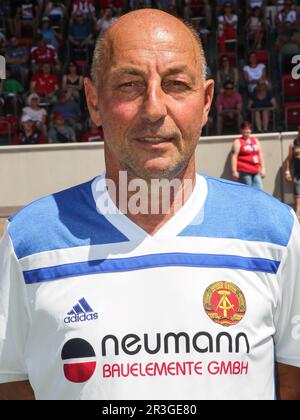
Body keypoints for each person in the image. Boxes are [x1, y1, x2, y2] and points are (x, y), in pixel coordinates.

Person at [0, 9, 300, 401]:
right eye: (128, 84)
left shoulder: (275, 233)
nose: (154, 108)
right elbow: (12, 382)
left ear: (207, 100)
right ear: (93, 101)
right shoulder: (29, 242)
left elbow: (290, 381)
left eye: (176, 84)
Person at [231, 122, 266, 189]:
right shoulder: (238, 141)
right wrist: (234, 171)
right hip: (244, 171)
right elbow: (234, 156)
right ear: (242, 131)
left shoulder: (255, 140)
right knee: (248, 190)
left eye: (248, 130)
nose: (247, 132)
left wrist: (263, 167)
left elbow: (260, 154)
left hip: (255, 170)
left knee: (259, 189)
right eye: (245, 130)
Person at [284, 125, 300, 218]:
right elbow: (289, 159)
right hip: (298, 173)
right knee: (297, 191)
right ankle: (298, 212)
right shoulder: (293, 143)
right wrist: (287, 171)